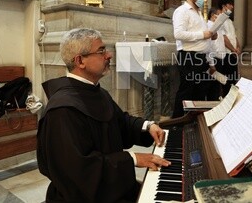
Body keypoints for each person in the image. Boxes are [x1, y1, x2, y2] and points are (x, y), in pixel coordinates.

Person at [36, 28, 171, 203]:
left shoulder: (96, 92)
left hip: (108, 186)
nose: (109, 55)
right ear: (80, 61)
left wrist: (147, 126)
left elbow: (120, 123)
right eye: (101, 51)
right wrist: (133, 159)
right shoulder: (63, 110)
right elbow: (79, 170)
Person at [172, 0, 214, 118]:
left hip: (200, 57)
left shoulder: (199, 13)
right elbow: (178, 34)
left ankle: (194, 122)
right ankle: (177, 122)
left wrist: (211, 35)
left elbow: (202, 35)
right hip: (189, 56)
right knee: (187, 91)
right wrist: (203, 35)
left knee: (200, 90)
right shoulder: (182, 11)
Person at [218, 0, 241, 96]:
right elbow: (223, 38)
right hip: (226, 53)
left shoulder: (229, 21)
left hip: (233, 54)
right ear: (223, 6)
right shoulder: (220, 19)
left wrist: (238, 47)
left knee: (233, 79)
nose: (232, 6)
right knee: (227, 81)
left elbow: (233, 36)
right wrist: (233, 50)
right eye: (230, 4)